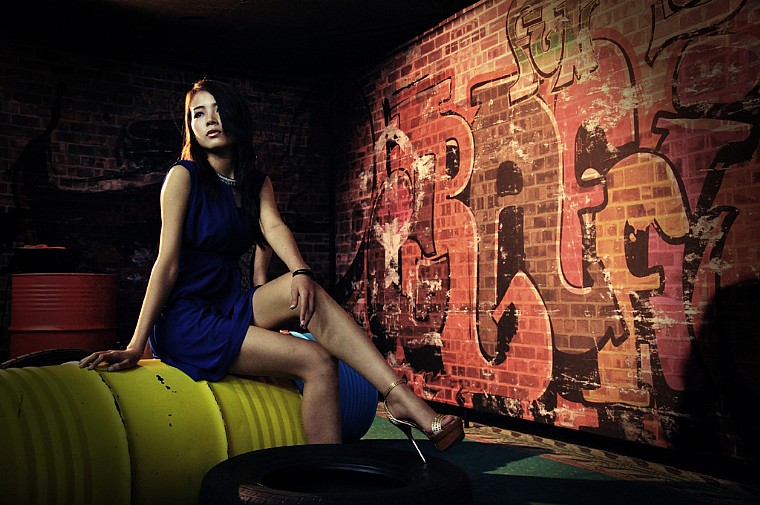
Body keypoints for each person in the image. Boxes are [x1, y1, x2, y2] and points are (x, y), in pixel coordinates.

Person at [79, 78, 464, 457]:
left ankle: (398, 396)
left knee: (308, 291)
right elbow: (166, 263)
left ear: (237, 117)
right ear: (191, 127)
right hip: (188, 320)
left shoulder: (255, 183)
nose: (210, 119)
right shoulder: (184, 177)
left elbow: (274, 227)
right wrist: (136, 346)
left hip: (229, 307)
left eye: (218, 110)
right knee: (317, 361)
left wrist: (301, 272)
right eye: (198, 113)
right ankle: (328, 475)